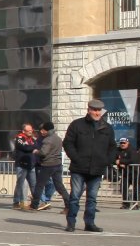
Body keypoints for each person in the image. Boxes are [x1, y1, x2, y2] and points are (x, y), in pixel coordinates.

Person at [64, 99, 118, 233]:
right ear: (89, 110)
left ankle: (89, 223)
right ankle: (71, 222)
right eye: (94, 110)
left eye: (99, 110)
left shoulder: (107, 127)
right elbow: (68, 143)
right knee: (75, 197)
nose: (97, 113)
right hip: (78, 168)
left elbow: (112, 146)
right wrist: (76, 158)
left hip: (97, 169)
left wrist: (107, 161)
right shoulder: (77, 124)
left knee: (92, 198)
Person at [32, 121, 71, 219]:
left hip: (48, 165)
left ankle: (34, 205)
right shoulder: (58, 138)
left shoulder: (47, 140)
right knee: (59, 186)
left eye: (43, 130)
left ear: (47, 130)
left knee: (39, 185)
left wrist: (36, 151)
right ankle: (69, 205)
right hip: (58, 164)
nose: (41, 132)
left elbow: (43, 152)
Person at [11, 122, 37, 209]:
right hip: (21, 164)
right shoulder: (19, 138)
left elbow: (37, 146)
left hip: (31, 164)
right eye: (28, 130)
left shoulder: (32, 139)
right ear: (23, 131)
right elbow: (25, 147)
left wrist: (31, 147)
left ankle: (36, 202)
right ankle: (17, 202)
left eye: (31, 130)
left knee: (33, 184)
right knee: (21, 184)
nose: (30, 131)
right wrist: (32, 147)